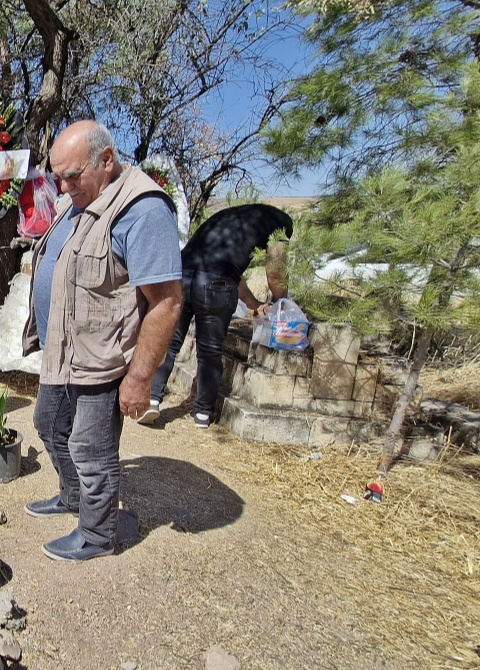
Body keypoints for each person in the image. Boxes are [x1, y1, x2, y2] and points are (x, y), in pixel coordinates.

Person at [20, 121, 183, 561]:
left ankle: (97, 534)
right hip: (65, 350)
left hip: (103, 358)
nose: (64, 185)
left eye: (73, 175)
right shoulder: (83, 196)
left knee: (91, 449)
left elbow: (166, 302)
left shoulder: (142, 210)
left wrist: (140, 378)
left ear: (106, 160)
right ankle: (73, 496)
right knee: (49, 425)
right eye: (59, 177)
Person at [139, 203, 292, 428]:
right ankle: (202, 413)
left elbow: (231, 273)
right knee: (209, 350)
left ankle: (152, 400)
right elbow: (275, 267)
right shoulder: (282, 223)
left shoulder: (228, 220)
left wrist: (253, 304)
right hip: (216, 284)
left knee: (170, 342)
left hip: (182, 275)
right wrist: (282, 302)